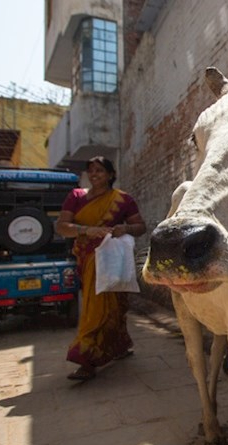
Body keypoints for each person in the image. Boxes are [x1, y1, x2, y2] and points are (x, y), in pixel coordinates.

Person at [56, 156, 146, 381]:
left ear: (110, 175)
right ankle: (97, 353)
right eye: (91, 170)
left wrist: (124, 228)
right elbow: (62, 227)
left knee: (114, 305)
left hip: (112, 259)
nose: (94, 174)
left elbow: (140, 227)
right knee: (94, 306)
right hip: (87, 259)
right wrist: (86, 230)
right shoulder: (76, 197)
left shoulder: (122, 199)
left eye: (99, 170)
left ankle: (101, 353)